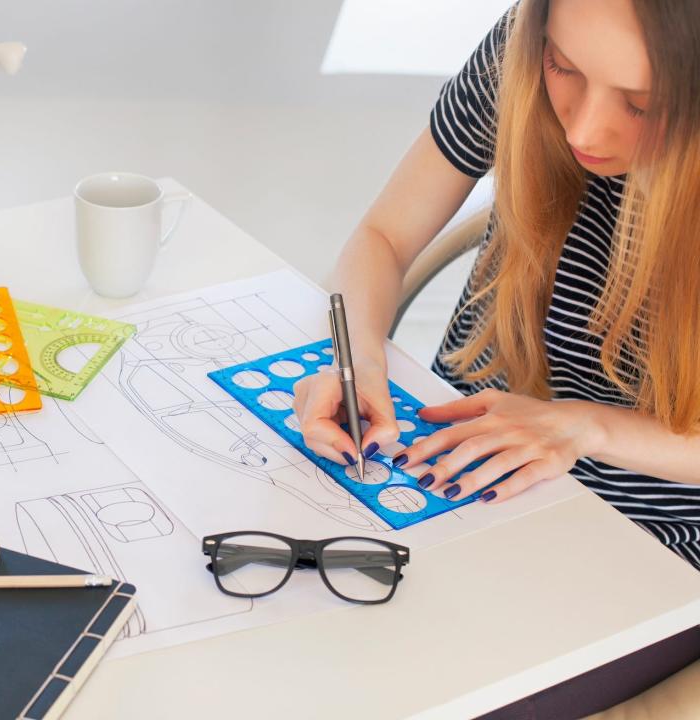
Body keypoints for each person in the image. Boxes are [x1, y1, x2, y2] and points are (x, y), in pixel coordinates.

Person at [294, 0, 700, 714]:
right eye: (563, 68)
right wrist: (352, 359)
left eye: (643, 105)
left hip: (648, 541)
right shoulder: (524, 40)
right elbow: (384, 235)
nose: (583, 129)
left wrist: (583, 427)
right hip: (451, 457)